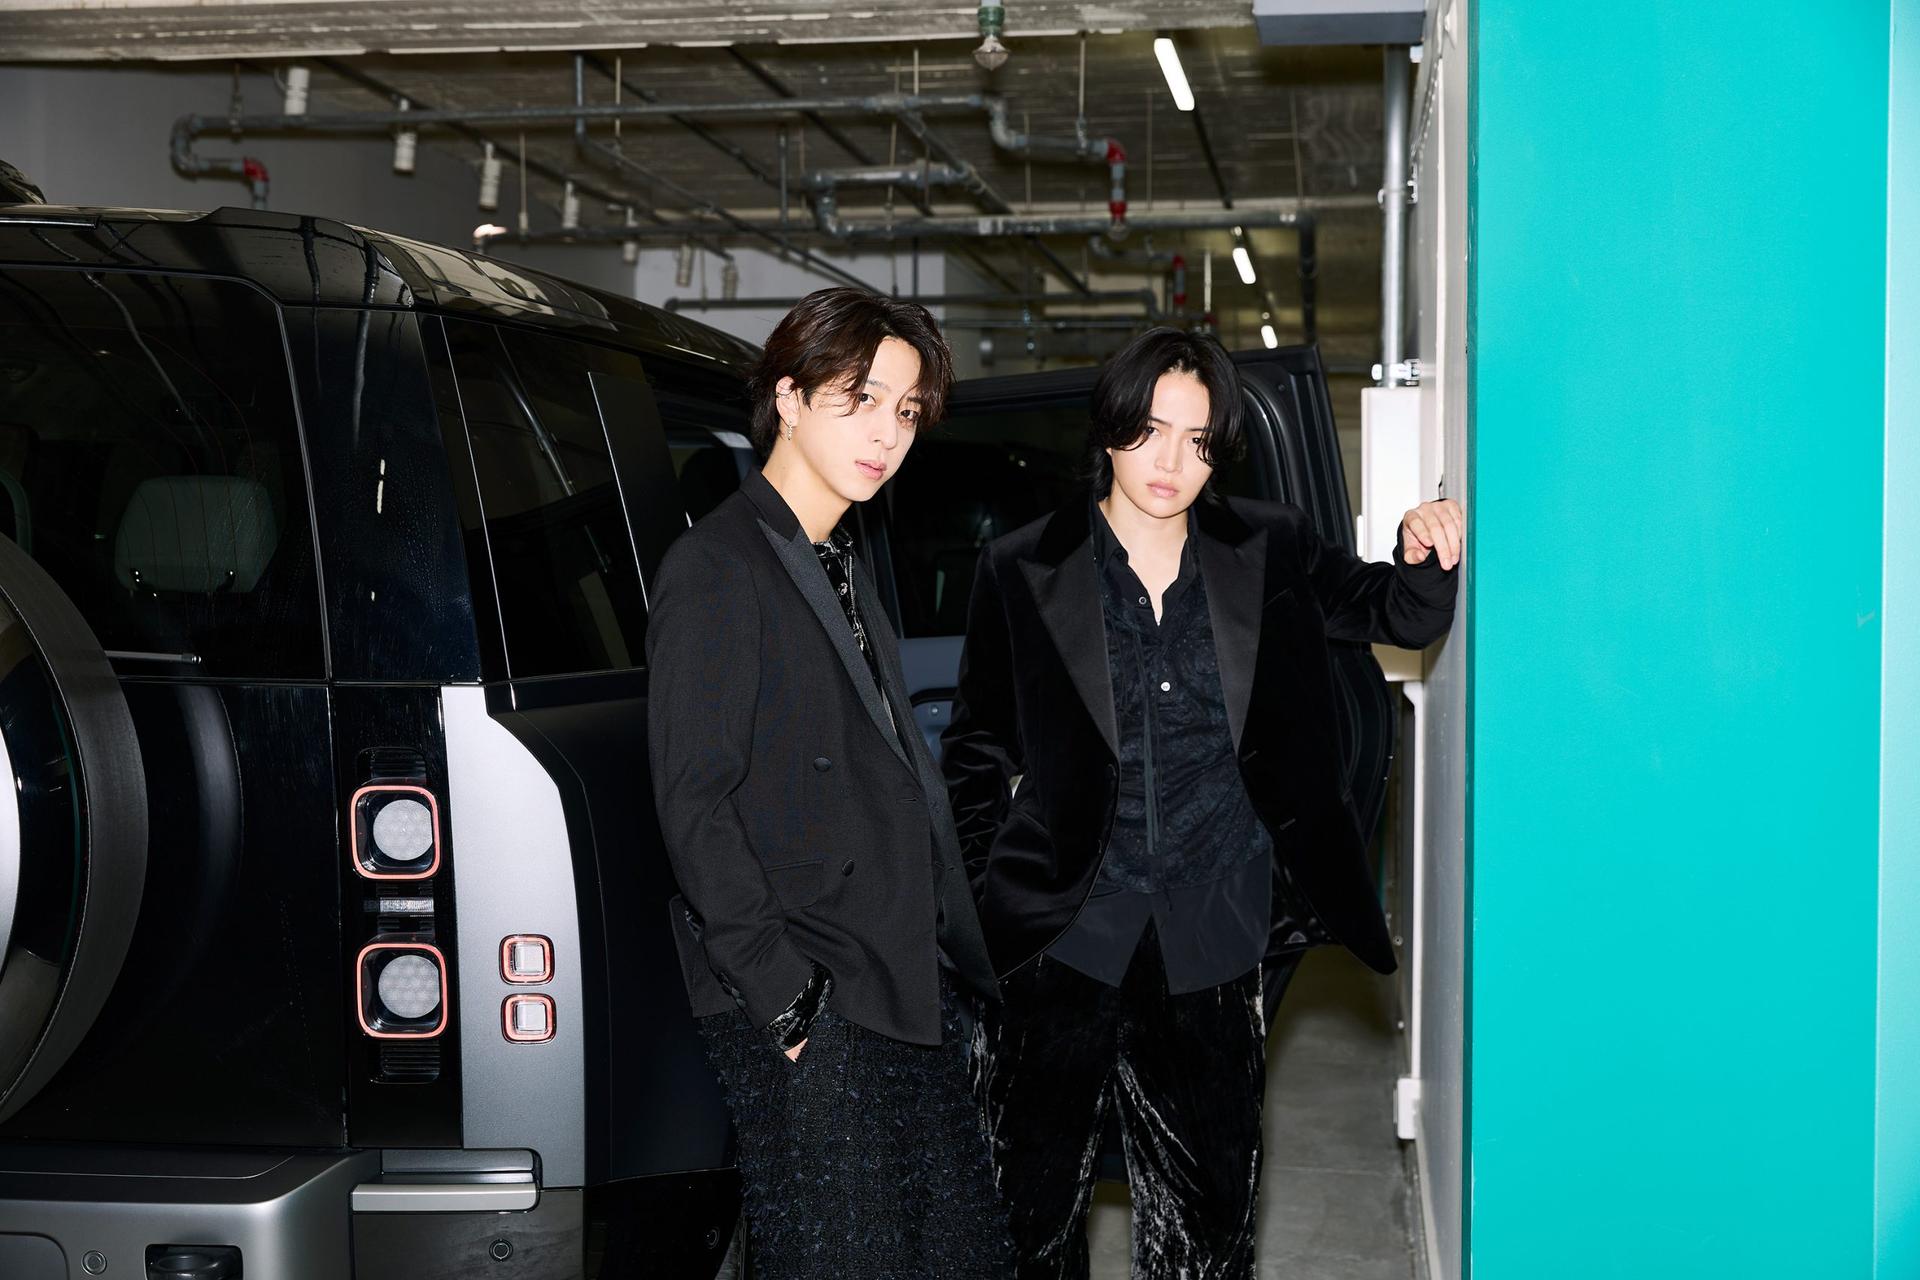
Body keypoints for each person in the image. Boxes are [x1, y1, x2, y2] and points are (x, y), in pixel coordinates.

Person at [942, 327, 1463, 1279]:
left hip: (1213, 931)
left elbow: (1394, 610)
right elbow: (976, 747)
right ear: (1109, 428)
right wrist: (984, 896)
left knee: (1208, 1227)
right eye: (1149, 431)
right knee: (1024, 1219)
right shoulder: (1021, 565)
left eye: (1197, 440)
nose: (1170, 462)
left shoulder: (1268, 547)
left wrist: (1422, 551)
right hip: (1062, 936)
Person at [646, 288, 1013, 1280]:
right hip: (812, 989)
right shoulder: (719, 565)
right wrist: (788, 1002)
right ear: (790, 398)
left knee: (955, 1252)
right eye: (862, 398)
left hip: (894, 978)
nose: (887, 432)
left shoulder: (835, 558)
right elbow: (694, 800)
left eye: (906, 410)